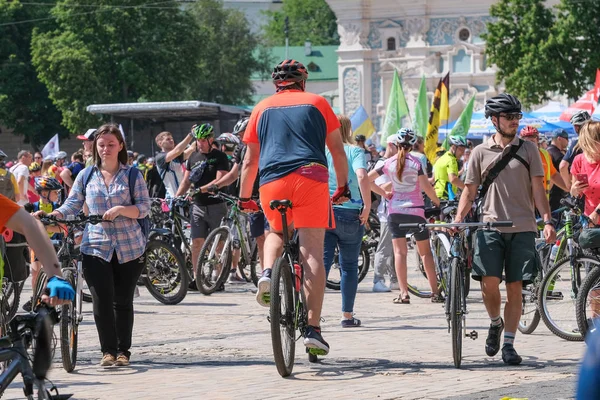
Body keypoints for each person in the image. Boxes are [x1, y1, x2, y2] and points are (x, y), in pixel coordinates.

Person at [238, 59, 349, 355]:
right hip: (311, 178)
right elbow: (338, 150)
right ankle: (313, 329)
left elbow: (250, 161)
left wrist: (244, 197)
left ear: (277, 84)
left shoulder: (260, 108)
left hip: (272, 180)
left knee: (276, 228)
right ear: (303, 81)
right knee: (312, 250)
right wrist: (342, 187)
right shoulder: (318, 102)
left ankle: (267, 273)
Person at [453, 93, 556, 365]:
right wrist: (458, 218)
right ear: (494, 120)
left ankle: (509, 343)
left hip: (523, 226)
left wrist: (547, 220)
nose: (515, 121)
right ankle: (495, 322)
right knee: (489, 285)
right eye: (509, 117)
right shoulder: (479, 152)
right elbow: (469, 190)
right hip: (489, 225)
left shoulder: (530, 150)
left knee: (515, 287)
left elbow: (538, 189)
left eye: (517, 116)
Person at [37, 123, 150, 368]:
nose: (106, 149)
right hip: (96, 245)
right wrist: (56, 214)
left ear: (120, 146)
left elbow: (144, 208)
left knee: (122, 300)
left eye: (111, 144)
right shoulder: (86, 175)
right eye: (102, 145)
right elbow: (73, 204)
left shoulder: (132, 174)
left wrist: (121, 210)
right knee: (102, 299)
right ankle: (108, 351)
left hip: (129, 247)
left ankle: (123, 351)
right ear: (95, 148)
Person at [368, 128, 442, 304]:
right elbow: (427, 188)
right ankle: (435, 291)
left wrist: (384, 194)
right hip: (416, 210)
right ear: (412, 145)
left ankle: (403, 294)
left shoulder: (387, 163)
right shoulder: (417, 163)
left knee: (399, 253)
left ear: (397, 145)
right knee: (425, 254)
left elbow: (366, 180)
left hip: (395, 212)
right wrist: (437, 202)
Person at [200, 117, 270, 285]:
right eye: (239, 135)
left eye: (243, 133)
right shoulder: (242, 149)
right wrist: (216, 185)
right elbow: (233, 174)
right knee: (260, 238)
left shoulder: (267, 146)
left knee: (270, 237)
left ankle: (276, 272)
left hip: (268, 196)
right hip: (251, 200)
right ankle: (265, 278)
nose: (241, 137)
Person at [323, 115, 371, 327]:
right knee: (349, 266)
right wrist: (367, 206)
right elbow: (362, 176)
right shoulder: (355, 151)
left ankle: (311, 313)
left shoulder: (321, 151)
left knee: (320, 266)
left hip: (325, 212)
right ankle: (347, 316)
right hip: (351, 212)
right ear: (349, 129)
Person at [175, 123, 230, 289]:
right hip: (197, 206)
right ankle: (197, 277)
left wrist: (200, 189)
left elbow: (219, 180)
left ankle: (218, 278)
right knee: (196, 242)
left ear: (210, 139)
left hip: (216, 205)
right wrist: (176, 197)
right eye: (198, 140)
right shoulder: (193, 157)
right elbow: (186, 181)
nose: (199, 143)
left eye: (202, 140)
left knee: (218, 243)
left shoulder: (220, 157)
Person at [2, 193, 74, 306]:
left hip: (49, 244)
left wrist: (55, 275)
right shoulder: (32, 205)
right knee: (35, 271)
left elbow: (31, 225)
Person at [22, 177, 64, 312]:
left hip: (54, 244)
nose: (57, 195)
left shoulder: (57, 208)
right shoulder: (32, 207)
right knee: (35, 272)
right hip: (37, 243)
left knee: (50, 273)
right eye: (55, 192)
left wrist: (47, 227)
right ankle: (35, 297)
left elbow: (62, 229)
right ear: (45, 193)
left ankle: (46, 298)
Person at [370, 135, 401, 292]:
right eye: (398, 146)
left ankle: (395, 279)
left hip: (397, 210)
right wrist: (400, 179)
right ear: (391, 145)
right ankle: (378, 280)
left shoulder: (395, 162)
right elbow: (381, 186)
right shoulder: (383, 164)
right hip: (387, 212)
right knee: (384, 246)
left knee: (397, 247)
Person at [519, 126, 568, 199]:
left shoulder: (545, 154)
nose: (529, 145)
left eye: (532, 141)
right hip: (524, 203)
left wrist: (569, 188)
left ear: (537, 140)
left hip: (542, 202)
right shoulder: (517, 156)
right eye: (526, 142)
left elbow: (553, 174)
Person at [570, 121, 600, 223]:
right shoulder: (579, 160)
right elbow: (575, 194)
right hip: (589, 221)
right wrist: (574, 190)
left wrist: (597, 212)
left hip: (594, 217)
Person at [154, 130, 196, 199]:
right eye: (168, 139)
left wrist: (200, 136)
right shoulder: (160, 157)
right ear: (160, 143)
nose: (171, 140)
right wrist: (191, 135)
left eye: (172, 138)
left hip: (185, 198)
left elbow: (191, 148)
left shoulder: (177, 156)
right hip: (172, 198)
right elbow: (177, 151)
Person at [559, 110, 592, 190]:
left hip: (584, 186)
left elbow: (563, 166)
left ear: (576, 127)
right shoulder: (597, 141)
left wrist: (569, 186)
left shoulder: (578, 143)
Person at [433, 136, 467, 200]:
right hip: (446, 196)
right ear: (453, 147)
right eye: (461, 150)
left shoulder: (442, 158)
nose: (462, 153)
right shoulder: (451, 160)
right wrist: (467, 189)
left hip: (437, 194)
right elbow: (453, 179)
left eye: (464, 150)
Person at [547, 129, 570, 210]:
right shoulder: (557, 155)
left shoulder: (548, 151)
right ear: (559, 138)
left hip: (550, 192)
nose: (568, 141)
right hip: (556, 194)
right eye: (566, 138)